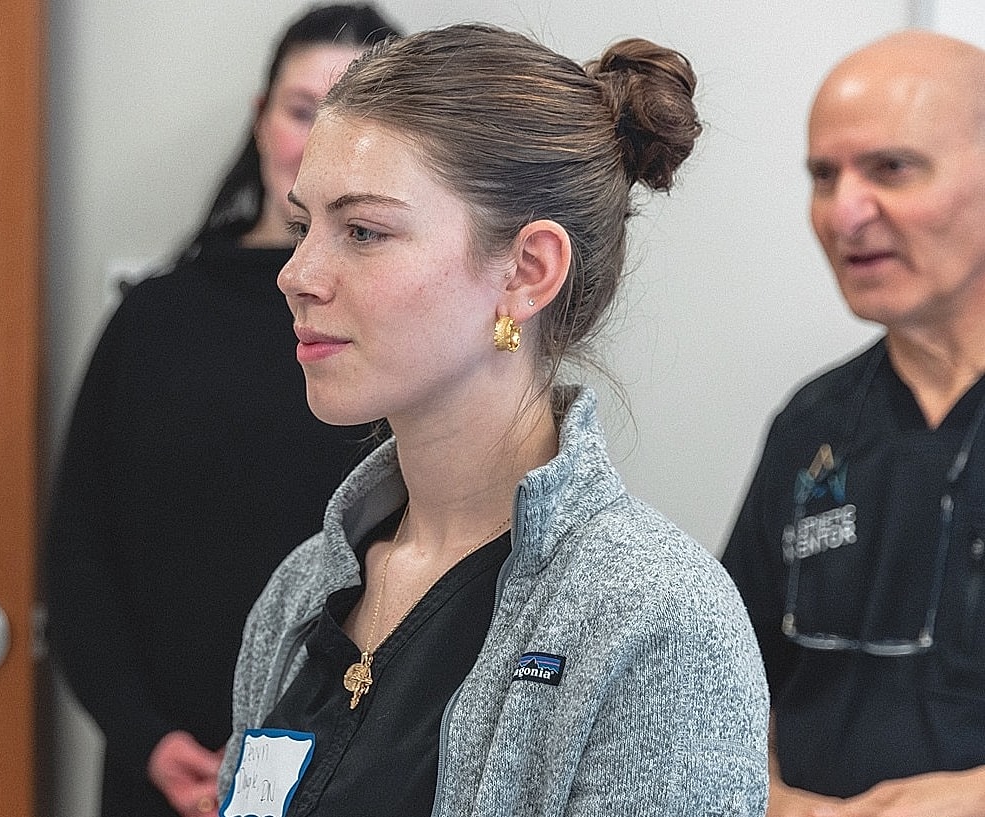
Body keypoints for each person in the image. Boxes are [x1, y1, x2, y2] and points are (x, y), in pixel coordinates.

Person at [217, 23, 768, 817]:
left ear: (526, 271)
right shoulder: (300, 593)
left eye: (362, 231)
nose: (296, 275)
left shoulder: (653, 617)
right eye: (304, 227)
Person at [44, 6, 401, 817]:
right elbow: (80, 556)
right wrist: (147, 738)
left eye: (357, 121)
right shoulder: (155, 320)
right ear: (260, 118)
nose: (318, 144)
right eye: (304, 111)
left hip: (363, 778)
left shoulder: (412, 340)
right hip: (168, 776)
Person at [720, 30, 985, 817]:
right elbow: (730, 675)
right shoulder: (813, 426)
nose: (844, 212)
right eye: (821, 176)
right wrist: (765, 797)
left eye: (890, 169)